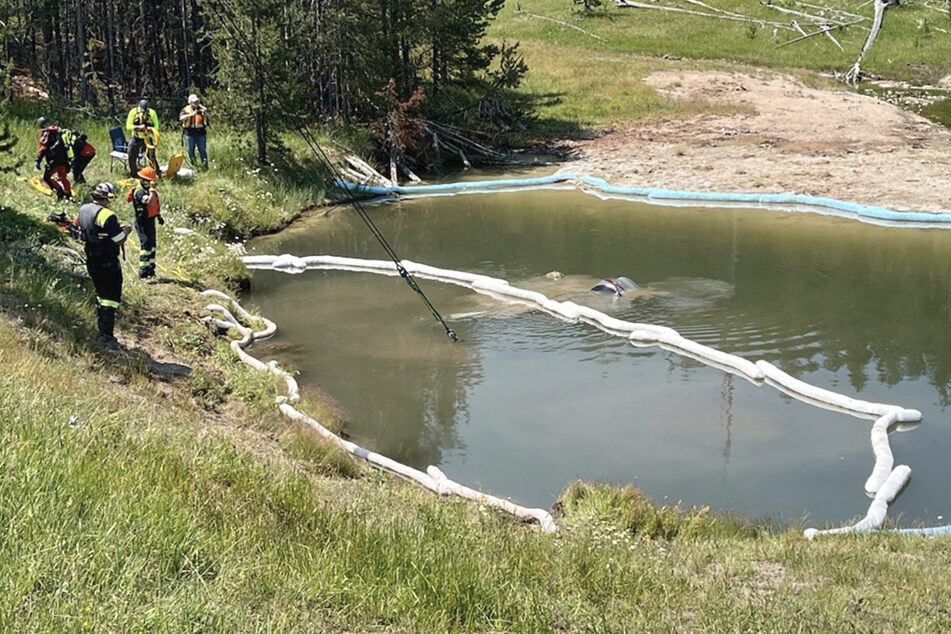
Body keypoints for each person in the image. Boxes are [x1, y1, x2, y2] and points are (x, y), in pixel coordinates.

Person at [77, 182, 132, 350]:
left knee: (101, 296)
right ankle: (106, 337)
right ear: (108, 197)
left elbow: (90, 228)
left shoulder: (84, 209)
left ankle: (102, 330)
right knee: (110, 299)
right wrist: (126, 231)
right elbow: (119, 239)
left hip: (92, 259)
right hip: (107, 262)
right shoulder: (108, 215)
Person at [127, 166, 164, 279]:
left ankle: (150, 270)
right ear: (144, 180)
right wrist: (152, 189)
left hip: (150, 220)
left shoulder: (148, 190)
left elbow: (154, 206)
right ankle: (143, 271)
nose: (152, 183)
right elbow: (150, 201)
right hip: (142, 221)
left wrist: (159, 216)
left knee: (152, 245)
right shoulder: (139, 192)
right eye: (151, 181)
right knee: (146, 244)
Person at [34, 116, 73, 201]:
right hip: (64, 159)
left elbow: (43, 148)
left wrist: (38, 160)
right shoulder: (59, 130)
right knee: (63, 177)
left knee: (47, 178)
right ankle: (69, 195)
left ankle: (60, 192)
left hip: (54, 160)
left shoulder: (47, 133)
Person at [125, 98, 161, 179]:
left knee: (151, 156)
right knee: (131, 154)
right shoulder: (133, 112)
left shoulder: (152, 113)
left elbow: (156, 126)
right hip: (136, 137)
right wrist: (138, 127)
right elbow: (128, 126)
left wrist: (149, 129)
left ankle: (156, 173)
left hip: (148, 138)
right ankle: (134, 174)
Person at [179, 93, 209, 169]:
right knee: (190, 150)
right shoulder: (185, 110)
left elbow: (210, 117)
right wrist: (191, 114)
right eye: (194, 102)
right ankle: (193, 166)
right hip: (189, 133)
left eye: (197, 101)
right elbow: (181, 118)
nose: (196, 103)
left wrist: (205, 113)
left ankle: (205, 166)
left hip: (201, 133)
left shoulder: (203, 109)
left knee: (202, 150)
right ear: (190, 102)